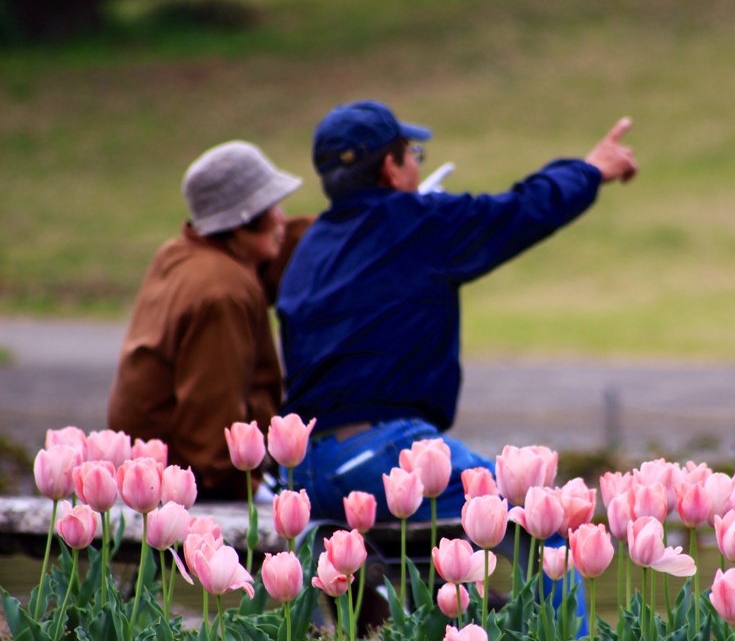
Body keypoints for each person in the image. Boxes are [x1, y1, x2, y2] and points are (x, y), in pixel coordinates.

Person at [276, 100, 637, 522]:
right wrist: (591, 169)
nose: (415, 164)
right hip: (383, 455)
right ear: (391, 168)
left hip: (303, 474)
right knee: (548, 521)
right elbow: (522, 209)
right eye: (413, 154)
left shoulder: (309, 248)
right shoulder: (422, 222)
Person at [108, 140, 308, 500]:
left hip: (154, 473)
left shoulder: (181, 253)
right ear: (244, 220)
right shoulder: (222, 292)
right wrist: (247, 487)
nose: (282, 218)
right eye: (272, 206)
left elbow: (281, 249)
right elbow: (211, 424)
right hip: (194, 487)